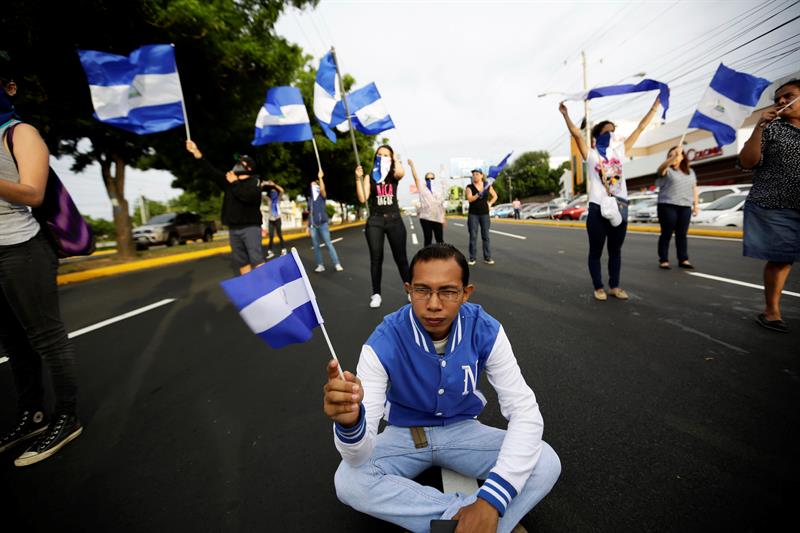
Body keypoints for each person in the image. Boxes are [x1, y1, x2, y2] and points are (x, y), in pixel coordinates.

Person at [322, 243, 560, 532]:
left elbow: (524, 411)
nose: (434, 304)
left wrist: (491, 501)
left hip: (463, 430)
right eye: (422, 290)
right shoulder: (383, 340)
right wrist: (350, 424)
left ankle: (464, 521)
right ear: (408, 289)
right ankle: (471, 522)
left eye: (447, 291)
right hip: (405, 435)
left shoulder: (486, 329)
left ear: (465, 293)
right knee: (348, 481)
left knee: (546, 460)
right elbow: (357, 454)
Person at [0, 51, 83, 467]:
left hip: (21, 247)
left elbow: (32, 192)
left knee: (46, 338)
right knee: (14, 343)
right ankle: (32, 414)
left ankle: (66, 417)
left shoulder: (20, 133)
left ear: (8, 87)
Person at [559, 96, 661, 301]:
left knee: (616, 250)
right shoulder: (592, 155)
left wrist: (655, 105)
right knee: (596, 250)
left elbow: (640, 128)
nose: (611, 133)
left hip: (620, 206)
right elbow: (577, 135)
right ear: (597, 135)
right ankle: (598, 287)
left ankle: (615, 286)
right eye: (607, 130)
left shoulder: (619, 152)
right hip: (598, 208)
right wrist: (566, 115)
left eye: (613, 130)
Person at [738, 79, 800, 333]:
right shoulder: (773, 129)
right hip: (775, 204)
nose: (782, 102)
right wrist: (759, 127)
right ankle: (771, 310)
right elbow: (747, 161)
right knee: (782, 258)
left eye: (788, 96)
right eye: (778, 99)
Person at [185, 140, 267, 275]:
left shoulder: (255, 181)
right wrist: (196, 152)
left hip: (250, 227)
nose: (237, 165)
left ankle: (267, 289)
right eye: (237, 162)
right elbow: (211, 171)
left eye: (241, 163)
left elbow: (248, 197)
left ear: (249, 168)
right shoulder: (229, 180)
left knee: (256, 260)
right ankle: (252, 291)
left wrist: (234, 183)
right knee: (242, 262)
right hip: (234, 229)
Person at [355, 144, 410, 309]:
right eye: (380, 155)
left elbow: (401, 173)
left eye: (387, 155)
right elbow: (362, 198)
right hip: (375, 221)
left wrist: (395, 159)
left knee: (401, 258)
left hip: (394, 220)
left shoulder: (393, 175)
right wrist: (358, 178)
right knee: (376, 258)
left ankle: (410, 291)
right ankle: (376, 294)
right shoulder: (370, 176)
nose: (383, 157)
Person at [655, 146, 698, 269]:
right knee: (666, 233)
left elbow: (694, 188)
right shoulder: (666, 170)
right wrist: (674, 156)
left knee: (682, 234)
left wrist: (696, 206)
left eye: (676, 154)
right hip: (667, 205)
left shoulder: (690, 172)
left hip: (685, 206)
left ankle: (683, 259)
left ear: (683, 157)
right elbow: (661, 168)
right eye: (670, 155)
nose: (672, 157)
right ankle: (663, 260)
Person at [308, 168, 343, 273]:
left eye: (314, 185)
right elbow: (310, 213)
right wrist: (308, 226)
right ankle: (320, 265)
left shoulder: (321, 196)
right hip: (313, 225)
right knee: (316, 246)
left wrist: (320, 178)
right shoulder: (310, 199)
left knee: (328, 244)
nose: (312, 187)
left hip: (323, 224)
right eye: (311, 185)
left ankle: (337, 263)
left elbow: (323, 190)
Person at [408, 159, 446, 246]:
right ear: (425, 180)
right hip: (425, 217)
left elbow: (441, 204)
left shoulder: (439, 190)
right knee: (428, 239)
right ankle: (427, 258)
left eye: (432, 178)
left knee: (439, 239)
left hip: (437, 217)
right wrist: (412, 166)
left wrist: (443, 216)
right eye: (427, 178)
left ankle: (440, 258)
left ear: (434, 179)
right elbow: (416, 178)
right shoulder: (422, 189)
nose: (430, 180)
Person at [465, 169, 498, 266]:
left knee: (486, 236)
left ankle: (487, 257)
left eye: (477, 174)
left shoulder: (487, 185)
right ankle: (472, 258)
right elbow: (470, 199)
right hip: (473, 215)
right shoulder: (469, 187)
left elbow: (495, 196)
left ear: (481, 175)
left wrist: (490, 203)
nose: (475, 176)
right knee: (473, 236)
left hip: (484, 214)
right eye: (473, 174)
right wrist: (478, 194)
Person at [264, 180, 286, 259]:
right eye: (272, 193)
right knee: (271, 236)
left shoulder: (278, 199)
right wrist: (264, 184)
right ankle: (270, 251)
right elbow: (260, 194)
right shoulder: (269, 200)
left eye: (274, 192)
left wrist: (274, 185)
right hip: (271, 220)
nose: (273, 194)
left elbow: (282, 190)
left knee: (279, 234)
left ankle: (283, 249)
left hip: (277, 219)